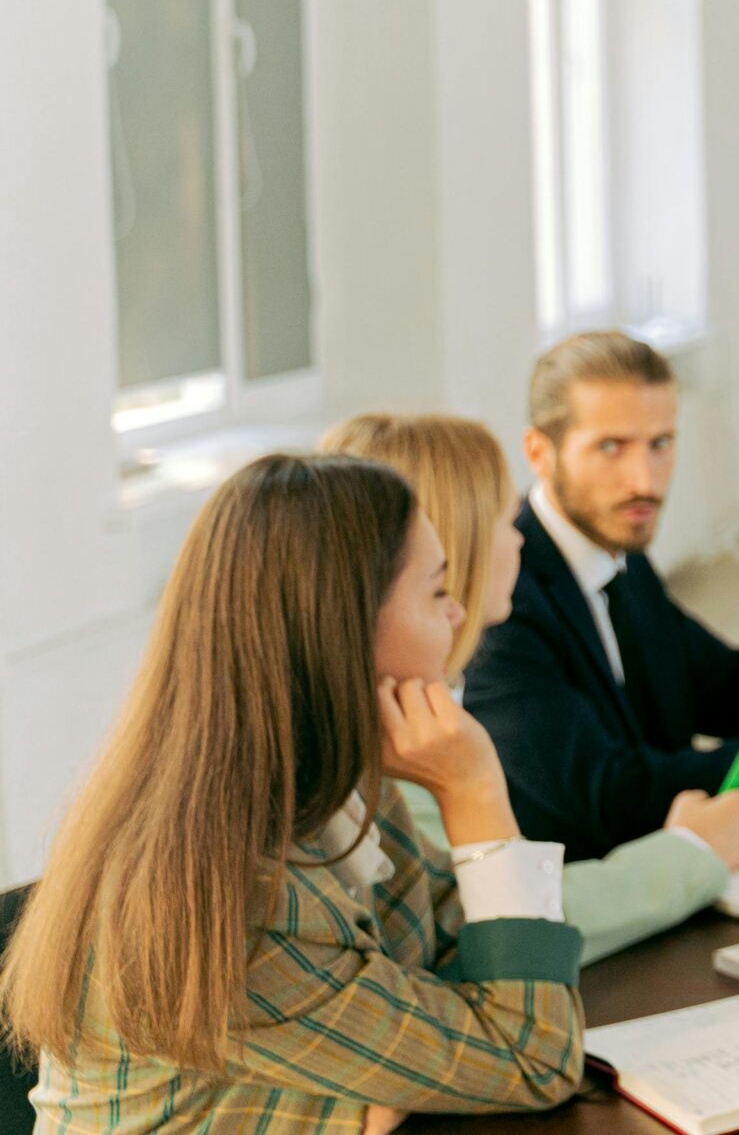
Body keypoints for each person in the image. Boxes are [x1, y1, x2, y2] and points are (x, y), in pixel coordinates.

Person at [0, 454, 583, 1132]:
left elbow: (473, 969)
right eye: (435, 590)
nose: (458, 612)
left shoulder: (343, 791)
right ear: (343, 632)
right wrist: (476, 790)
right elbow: (533, 1054)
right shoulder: (233, 894)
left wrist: (403, 1077)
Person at [322, 412, 739, 962]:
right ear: (457, 544)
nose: (521, 539)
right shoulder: (402, 734)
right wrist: (689, 853)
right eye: (509, 520)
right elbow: (504, 917)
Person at [466, 331, 739, 861]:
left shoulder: (621, 555)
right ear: (539, 452)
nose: (644, 480)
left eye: (660, 444)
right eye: (610, 447)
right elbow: (614, 795)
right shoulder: (502, 598)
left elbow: (725, 683)